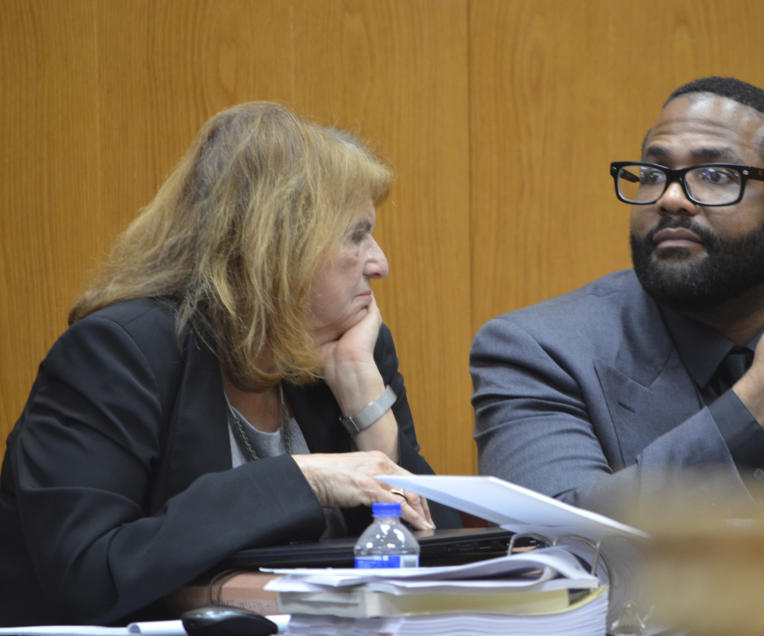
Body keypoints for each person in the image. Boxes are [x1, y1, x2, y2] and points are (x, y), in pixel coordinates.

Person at [0, 102, 459, 626]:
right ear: (279, 245)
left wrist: (369, 414)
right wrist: (301, 479)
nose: (380, 263)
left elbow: (443, 557)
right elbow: (88, 571)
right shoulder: (117, 355)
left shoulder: (350, 352)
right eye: (357, 235)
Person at [470, 77, 764, 519]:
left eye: (716, 175)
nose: (670, 198)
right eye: (653, 173)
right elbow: (559, 541)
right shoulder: (539, 349)